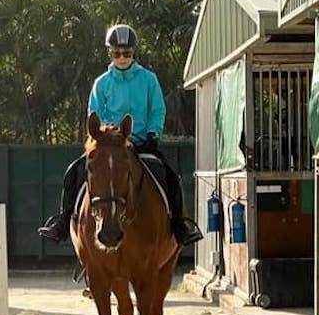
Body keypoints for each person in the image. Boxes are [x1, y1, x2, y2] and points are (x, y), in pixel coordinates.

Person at [38, 23, 203, 246]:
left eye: (126, 53)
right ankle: (63, 222)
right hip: (109, 145)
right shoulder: (101, 84)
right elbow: (95, 113)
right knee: (73, 172)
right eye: (117, 53)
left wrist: (154, 133)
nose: (122, 57)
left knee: (169, 176)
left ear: (133, 52)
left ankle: (179, 225)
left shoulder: (148, 79)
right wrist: (107, 137)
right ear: (110, 53)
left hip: (142, 143)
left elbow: (157, 109)